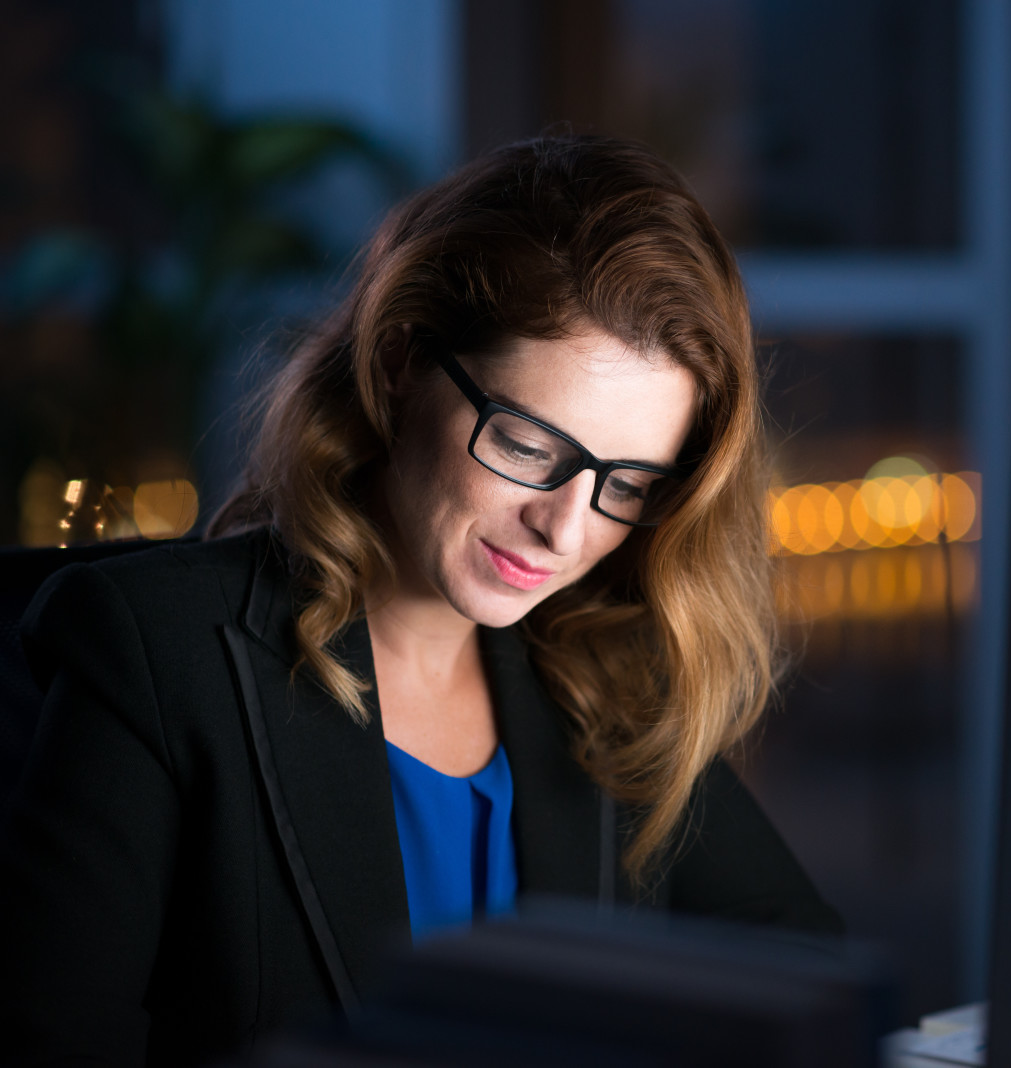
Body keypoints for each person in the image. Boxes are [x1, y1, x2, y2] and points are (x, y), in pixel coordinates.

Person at [0, 135, 842, 1065]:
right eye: (528, 445)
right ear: (402, 363)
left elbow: (806, 968)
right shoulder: (158, 654)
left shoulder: (602, 680)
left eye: (628, 483)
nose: (565, 532)